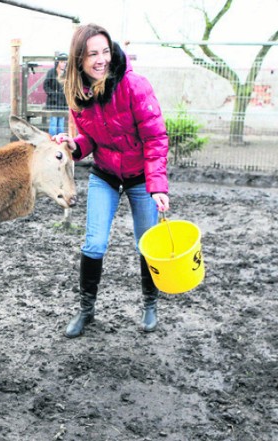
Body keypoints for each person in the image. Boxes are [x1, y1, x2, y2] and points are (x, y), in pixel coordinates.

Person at [53, 23, 170, 337]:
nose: (101, 59)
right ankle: (86, 311)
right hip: (105, 173)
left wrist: (157, 186)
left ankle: (149, 304)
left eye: (105, 51)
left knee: (146, 244)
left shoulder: (134, 85)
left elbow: (156, 139)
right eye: (93, 54)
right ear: (80, 59)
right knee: (94, 243)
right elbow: (90, 138)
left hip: (140, 176)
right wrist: (74, 145)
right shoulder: (79, 94)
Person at [43, 52, 68, 136]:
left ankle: (60, 141)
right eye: (62, 62)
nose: (64, 64)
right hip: (53, 101)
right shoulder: (51, 72)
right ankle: (53, 140)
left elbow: (70, 87)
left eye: (65, 62)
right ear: (58, 62)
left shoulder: (67, 74)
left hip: (63, 102)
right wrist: (53, 94)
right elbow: (46, 85)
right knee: (53, 122)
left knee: (61, 122)